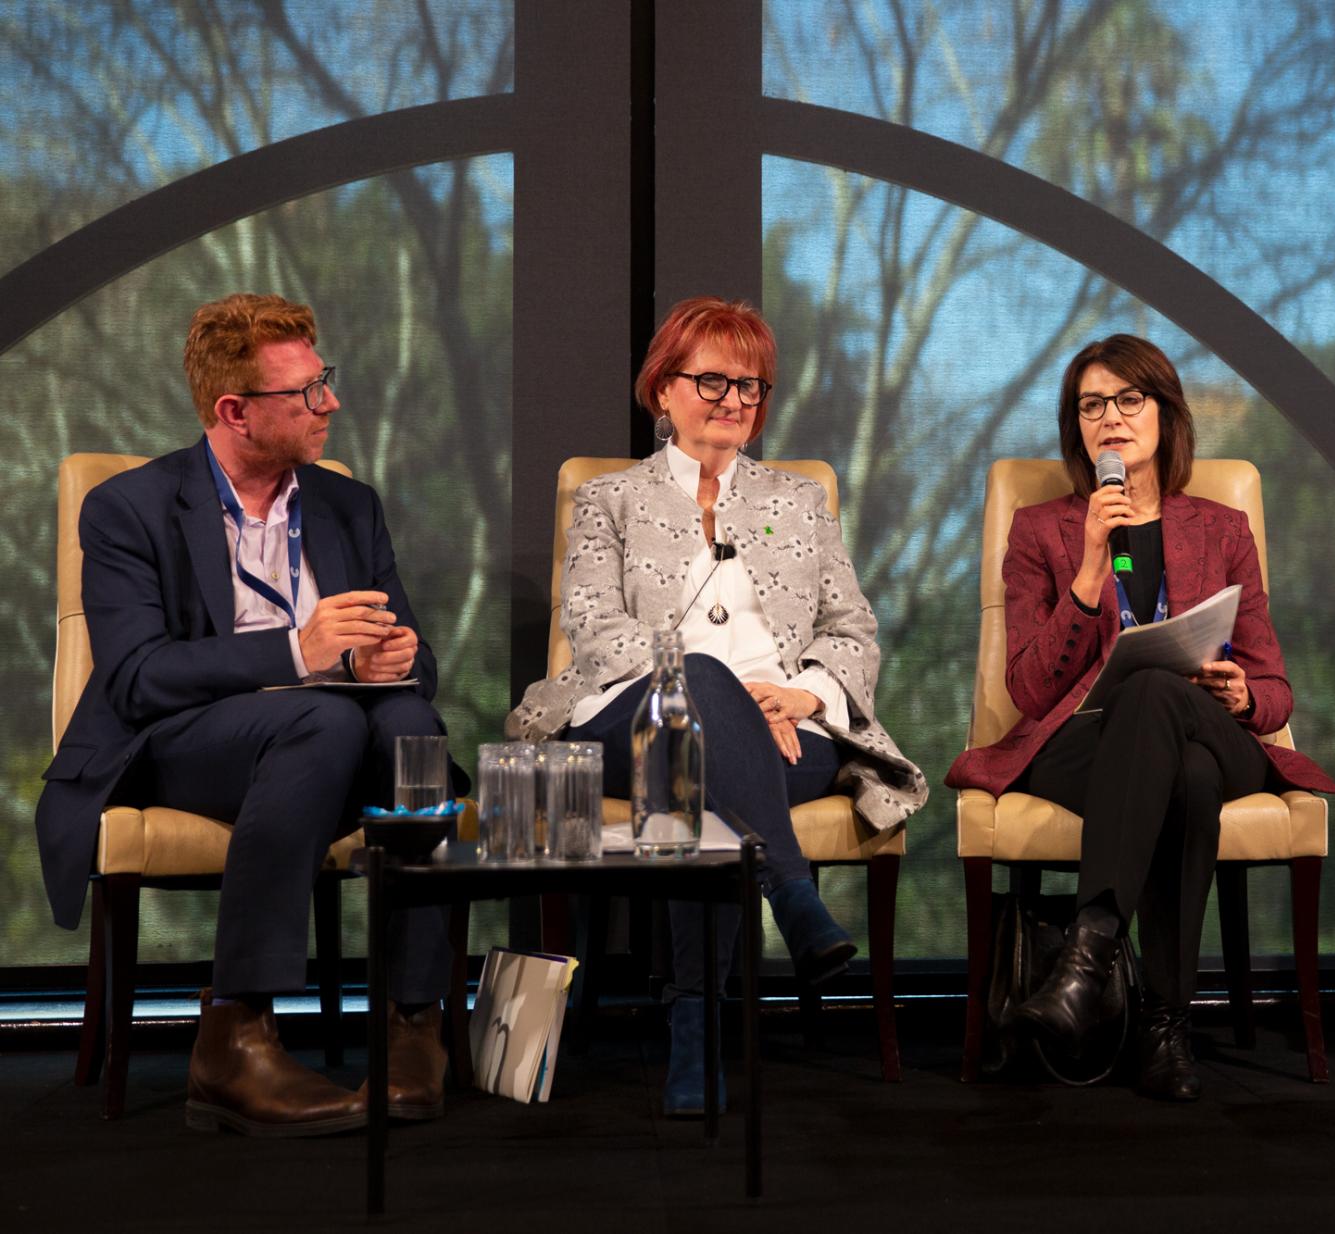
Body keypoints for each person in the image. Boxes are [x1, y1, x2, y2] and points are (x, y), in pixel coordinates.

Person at [36, 293, 462, 1136]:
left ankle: (414, 1023)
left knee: (413, 729)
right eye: (305, 391)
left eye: (324, 381)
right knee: (327, 721)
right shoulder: (130, 508)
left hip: (324, 745)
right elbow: (136, 677)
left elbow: (421, 664)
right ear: (234, 412)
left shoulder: (348, 505)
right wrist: (298, 656)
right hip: (175, 743)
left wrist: (396, 659)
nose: (329, 403)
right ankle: (234, 1032)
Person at [508, 296, 926, 1117]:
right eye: (713, 381)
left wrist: (804, 693)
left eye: (752, 387)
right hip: (623, 712)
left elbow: (853, 627)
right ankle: (790, 893)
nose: (735, 401)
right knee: (694, 684)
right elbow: (594, 627)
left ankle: (693, 1027)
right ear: (662, 388)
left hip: (783, 730)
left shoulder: (797, 500)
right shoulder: (609, 499)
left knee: (691, 767)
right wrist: (718, 689)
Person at [945, 334, 1335, 1102]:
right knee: (1180, 773)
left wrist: (1240, 696)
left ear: (1165, 415)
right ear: (1076, 427)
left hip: (1212, 729)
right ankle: (1164, 1028)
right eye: (1091, 405)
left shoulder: (1220, 529)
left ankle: (1085, 960)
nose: (1111, 419)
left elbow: (1275, 686)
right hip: (1081, 744)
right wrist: (1090, 570)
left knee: (1162, 697)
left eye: (1130, 399)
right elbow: (1028, 690)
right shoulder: (1040, 532)